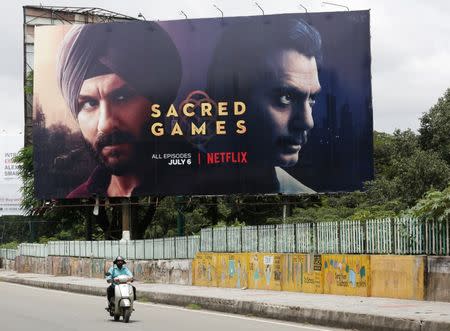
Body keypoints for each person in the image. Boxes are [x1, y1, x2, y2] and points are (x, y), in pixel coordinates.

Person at [57, 21, 182, 198]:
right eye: (89, 104)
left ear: (159, 101)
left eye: (122, 98)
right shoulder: (78, 198)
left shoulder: (212, 181)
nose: (105, 125)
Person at [206, 18, 322, 194]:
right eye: (286, 97)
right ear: (228, 96)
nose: (307, 122)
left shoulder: (303, 195)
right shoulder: (175, 182)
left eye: (311, 99)